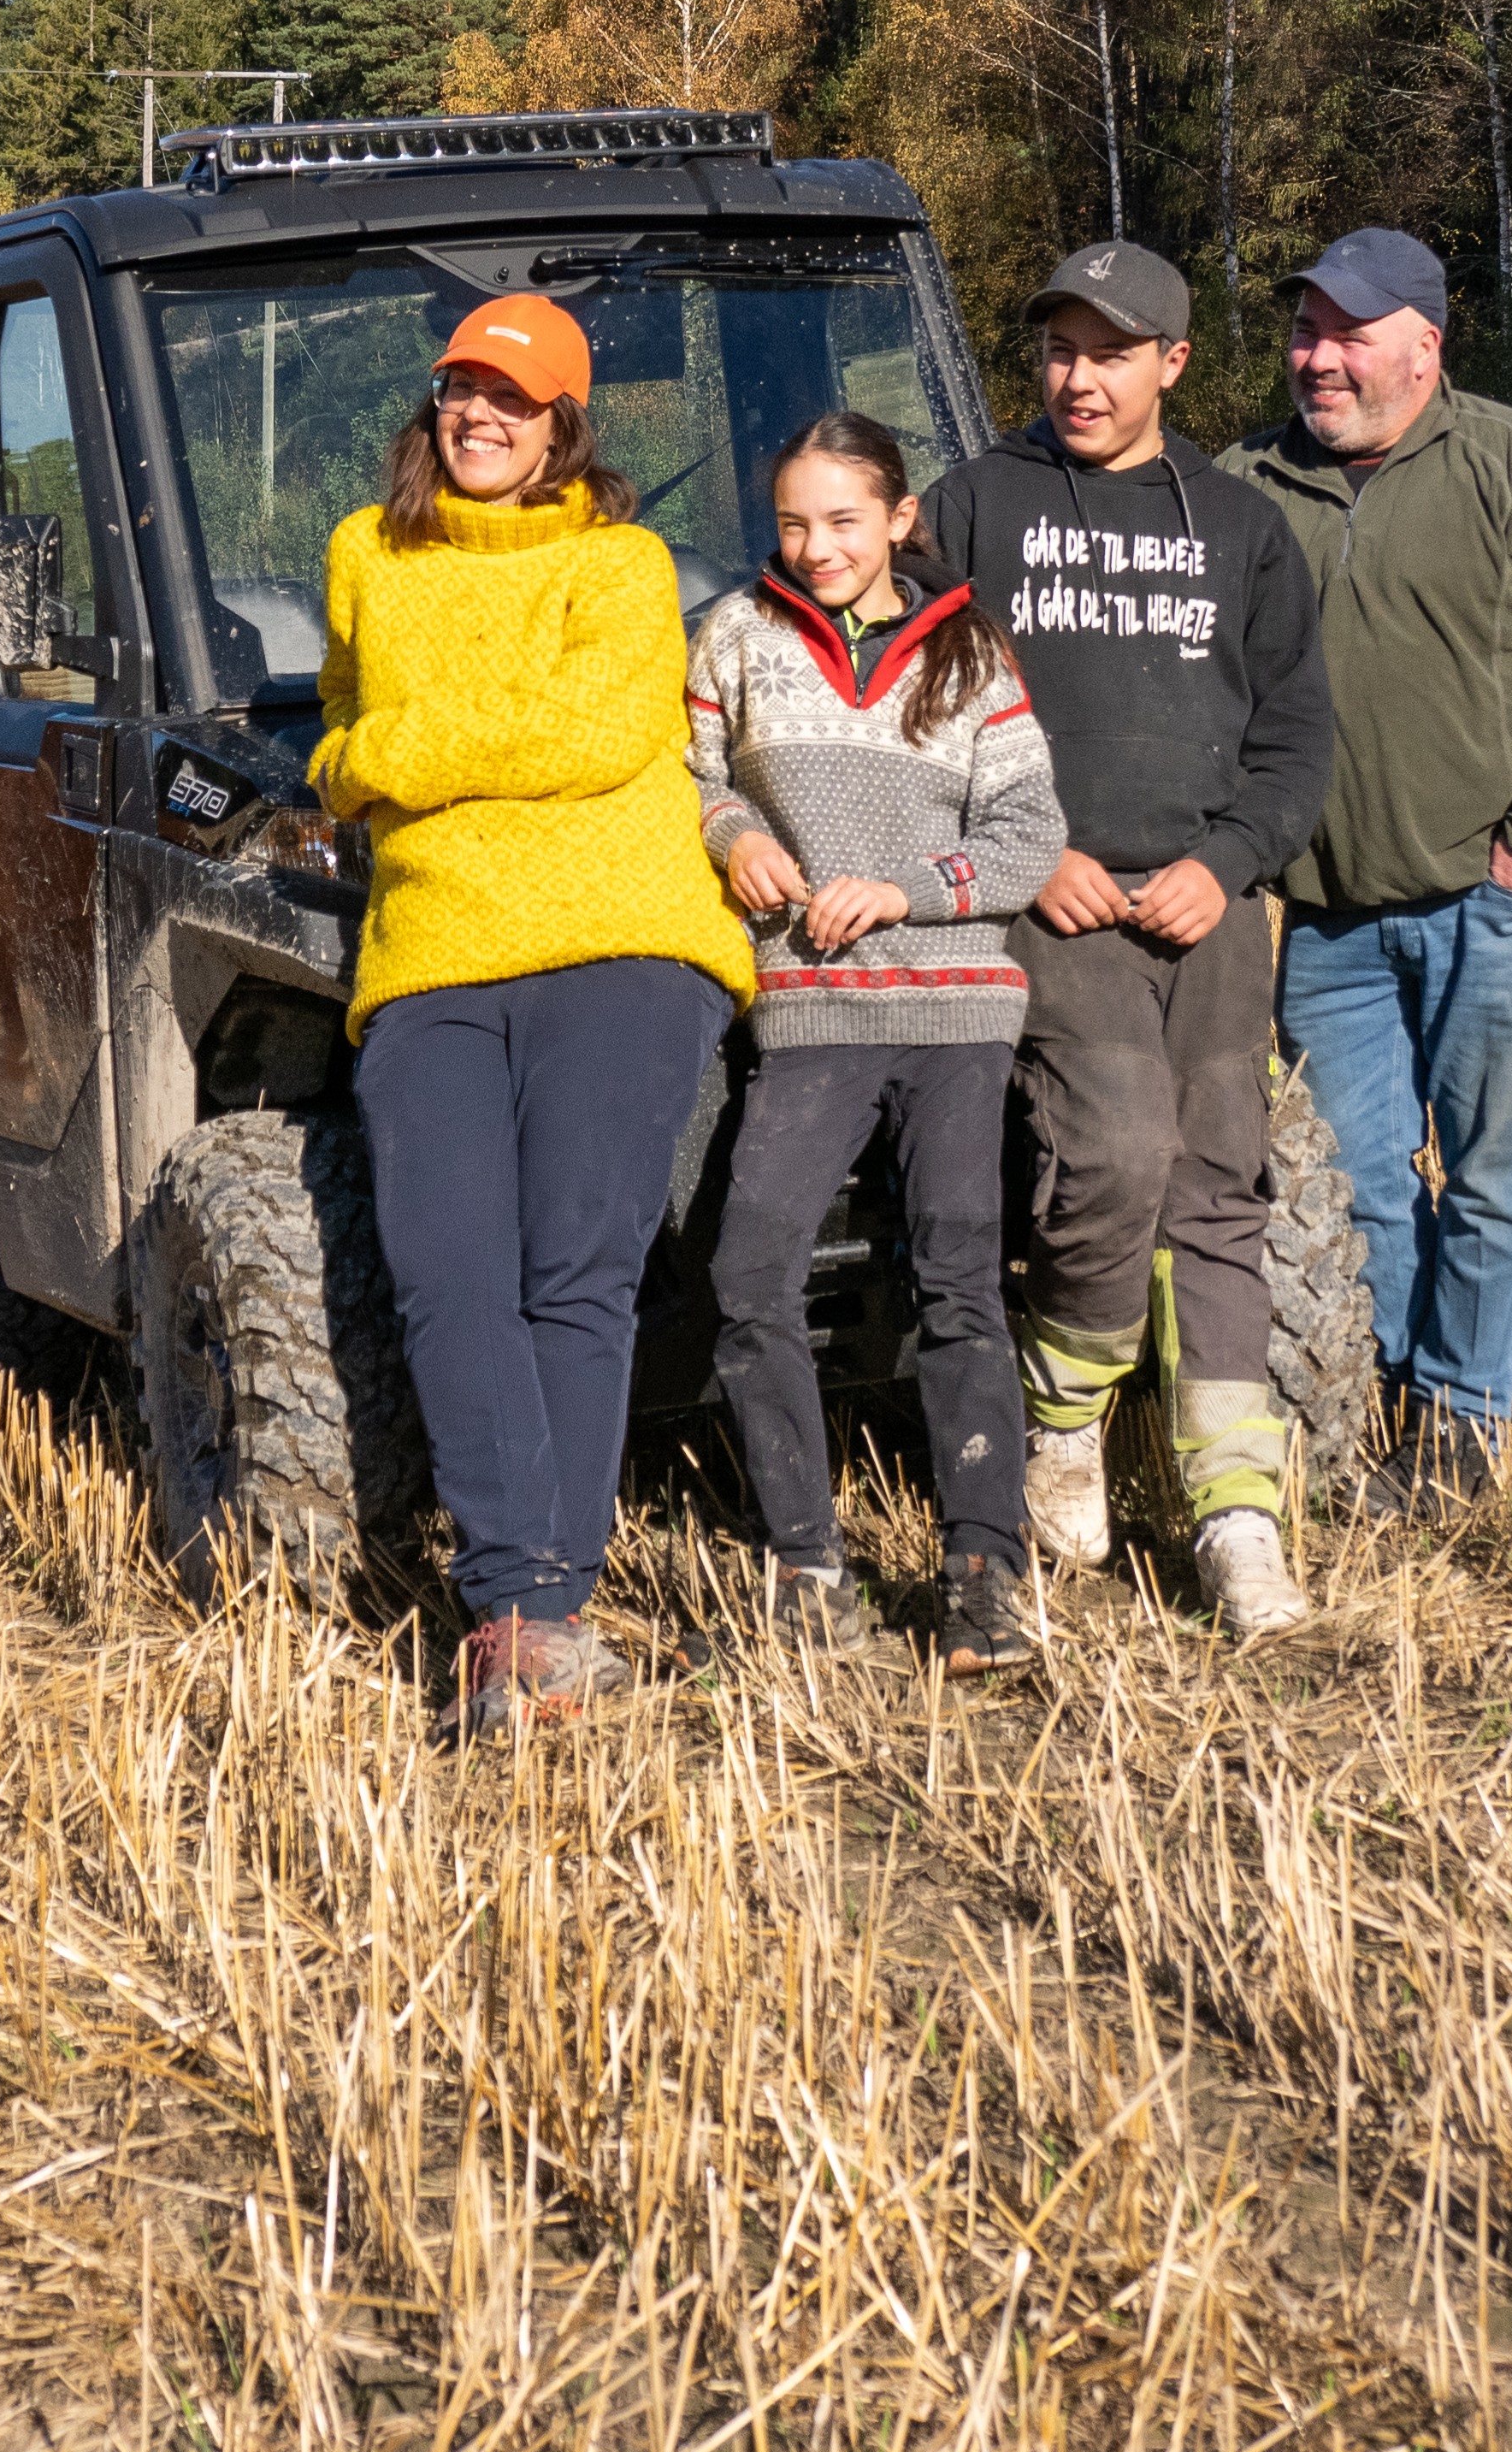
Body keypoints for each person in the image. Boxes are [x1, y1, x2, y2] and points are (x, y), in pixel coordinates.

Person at [310, 292, 758, 1739]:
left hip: (621, 936)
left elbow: (598, 735)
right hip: (432, 948)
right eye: (460, 391)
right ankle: (535, 1606)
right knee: (447, 1271)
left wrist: (395, 755)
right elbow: (333, 744)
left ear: (567, 427)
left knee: (578, 1268)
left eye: (514, 400)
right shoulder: (366, 554)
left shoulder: (621, 565)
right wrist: (380, 759)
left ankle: (525, 1616)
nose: (480, 418)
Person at [919, 242, 1335, 1633]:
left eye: (1112, 352)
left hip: (1204, 905)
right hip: (1052, 899)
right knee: (1115, 1148)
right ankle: (1064, 1423)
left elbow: (1293, 740)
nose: (1079, 378)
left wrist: (1227, 866)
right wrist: (1031, 860)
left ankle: (1236, 1518)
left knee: (1220, 1179)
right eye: (1059, 350)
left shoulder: (1239, 525)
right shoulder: (974, 506)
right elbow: (897, 703)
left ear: (1174, 363)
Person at [1232, 228, 1512, 1517]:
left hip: (1497, 903)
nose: (1318, 358)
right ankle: (1397, 1393)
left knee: (1487, 1178)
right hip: (1330, 916)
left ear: (1425, 343)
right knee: (1354, 1185)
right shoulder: (1248, 483)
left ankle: (1463, 1429)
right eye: (1306, 332)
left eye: (1347, 333)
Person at [686, 413, 1066, 1677]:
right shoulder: (734, 638)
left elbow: (1026, 838)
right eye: (793, 522)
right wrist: (733, 830)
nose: (816, 545)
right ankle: (806, 1564)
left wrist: (905, 886)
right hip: (810, 1008)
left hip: (954, 1011)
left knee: (959, 1281)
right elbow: (682, 777)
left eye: (844, 520)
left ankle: (985, 1574)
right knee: (750, 1275)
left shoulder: (970, 651)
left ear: (900, 519)